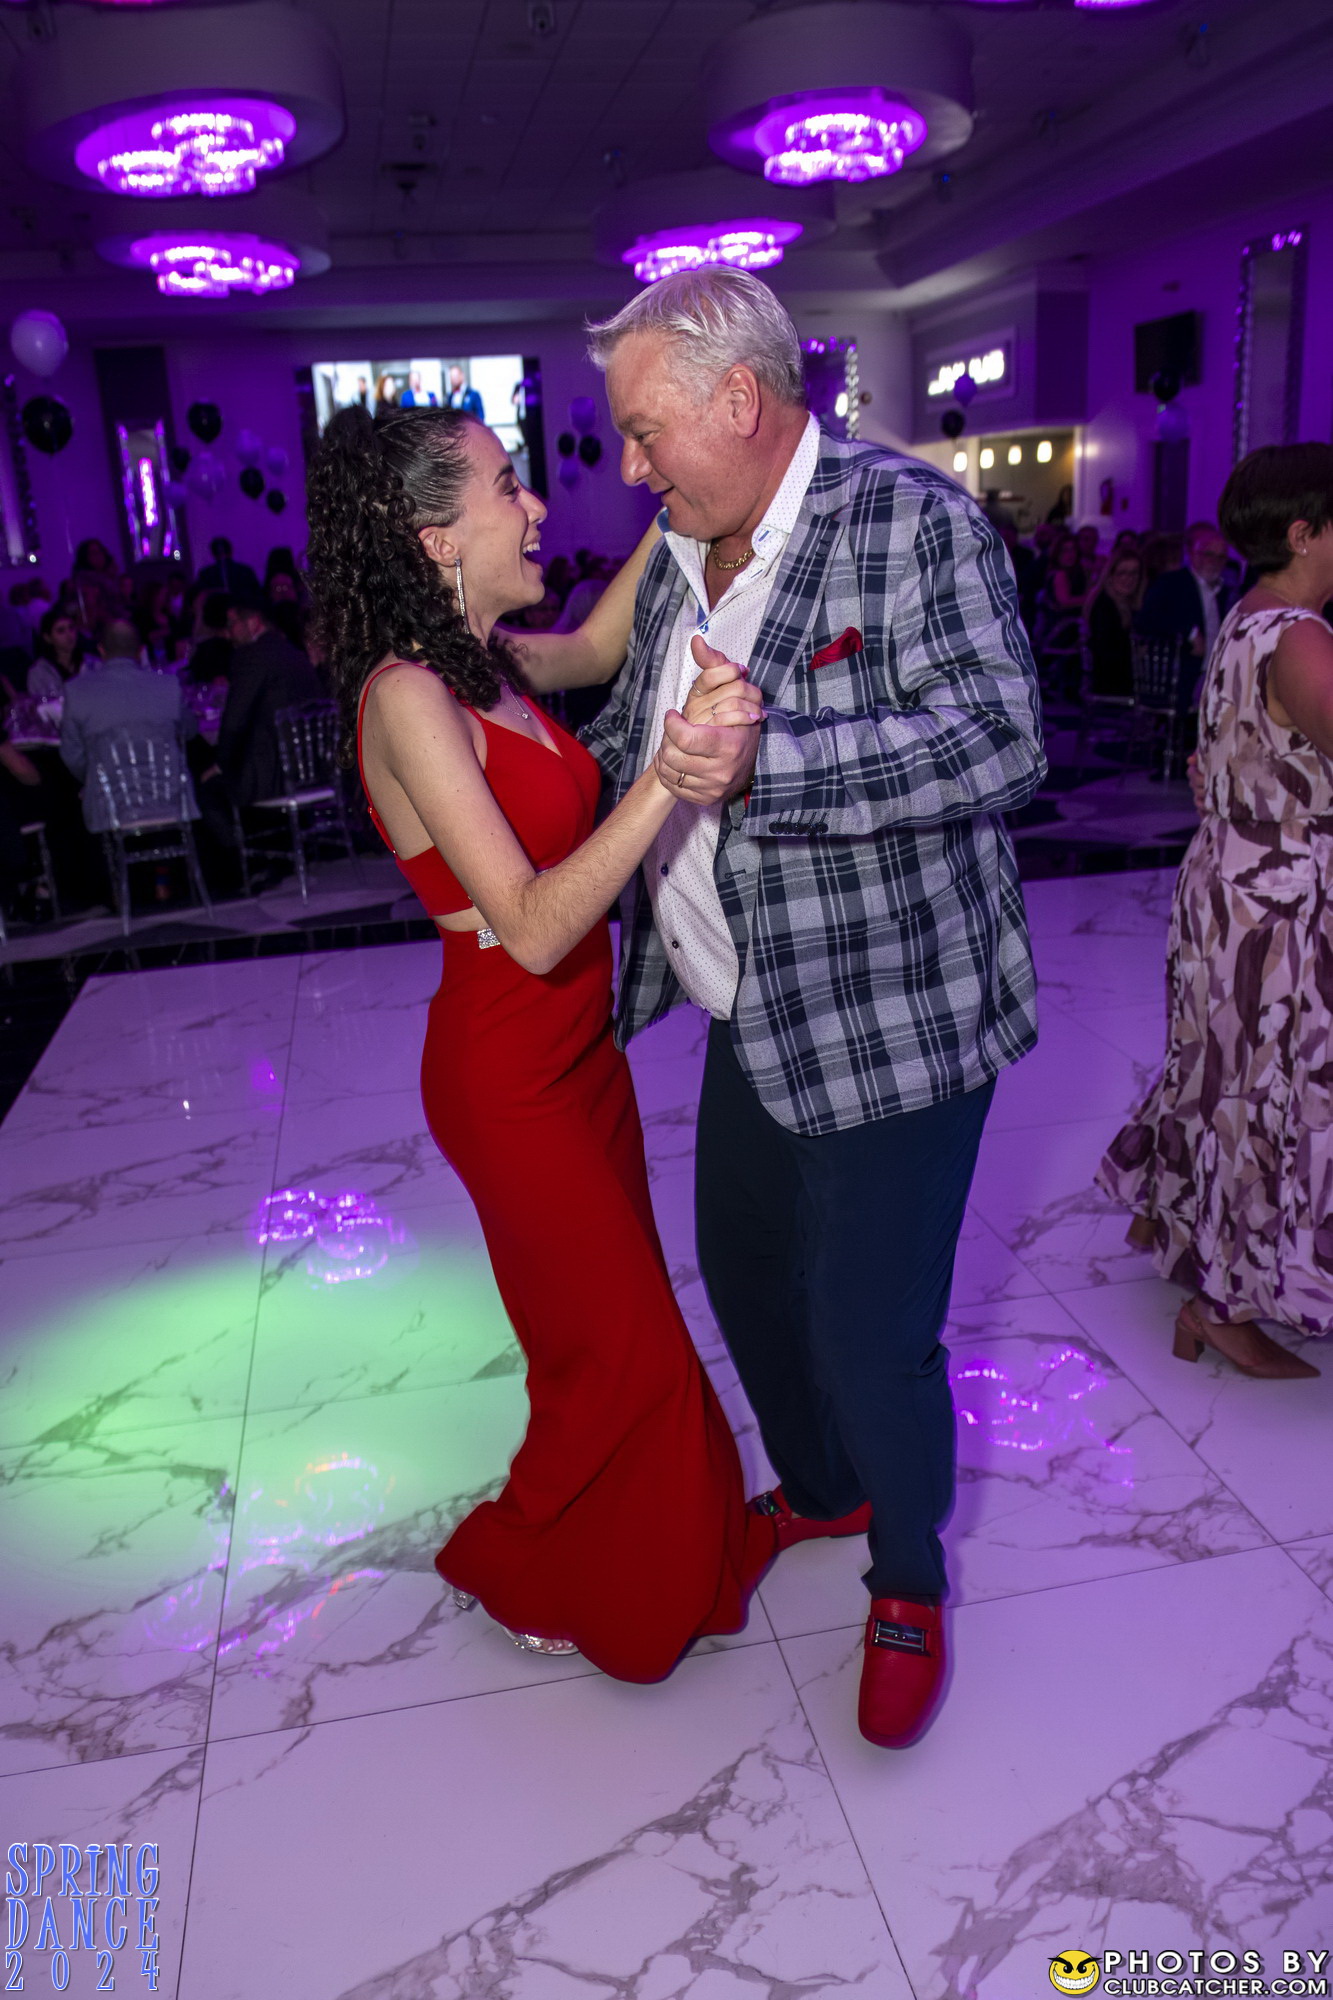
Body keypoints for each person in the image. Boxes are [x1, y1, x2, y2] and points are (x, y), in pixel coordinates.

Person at [582, 268, 1045, 1747]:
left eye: (645, 431)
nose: (630, 467)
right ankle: (830, 1483)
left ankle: (905, 1574)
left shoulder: (911, 522)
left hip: (895, 1017)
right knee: (744, 1278)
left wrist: (769, 762)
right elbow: (631, 724)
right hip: (749, 1004)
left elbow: (1000, 740)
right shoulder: (683, 543)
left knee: (868, 1331)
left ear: (739, 398)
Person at [304, 400, 775, 1682]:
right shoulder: (407, 695)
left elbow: (604, 640)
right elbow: (527, 922)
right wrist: (669, 777)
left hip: (580, 1053)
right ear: (433, 537)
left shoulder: (489, 662)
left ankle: (617, 1547)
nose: (536, 506)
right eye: (507, 486)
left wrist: (688, 499)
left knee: (596, 1343)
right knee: (630, 1352)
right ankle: (524, 1557)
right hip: (507, 1072)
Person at [1098, 443, 1333, 1377]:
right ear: (1303, 532)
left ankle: (1177, 1226)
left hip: (1231, 882)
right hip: (1278, 906)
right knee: (1267, 1095)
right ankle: (1223, 1304)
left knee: (1224, 1073)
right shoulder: (1301, 638)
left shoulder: (1249, 616)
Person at [58, 618, 198, 834]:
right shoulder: (168, 686)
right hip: (173, 802)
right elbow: (189, 731)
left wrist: (98, 775)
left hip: (110, 808)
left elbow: (71, 754)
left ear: (101, 650)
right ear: (140, 651)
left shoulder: (77, 692)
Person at [215, 599, 324, 809]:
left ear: (253, 622)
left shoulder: (253, 656)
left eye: (232, 624)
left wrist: (220, 763)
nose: (228, 633)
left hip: (273, 776)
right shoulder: (293, 653)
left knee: (208, 791)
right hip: (314, 767)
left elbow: (233, 721)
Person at [1137, 519, 1236, 663]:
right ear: (1193, 554)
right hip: (1182, 668)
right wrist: (1190, 633)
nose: (1214, 561)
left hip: (1215, 668)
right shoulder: (1173, 583)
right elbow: (1147, 620)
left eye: (1221, 557)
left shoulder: (1225, 591)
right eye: (1208, 554)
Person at [1084, 548, 1144, 699]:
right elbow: (1108, 653)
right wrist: (1139, 652)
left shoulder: (1129, 605)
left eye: (1134, 573)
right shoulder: (1104, 605)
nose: (1129, 579)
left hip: (1123, 678)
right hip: (1111, 683)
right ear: (1110, 575)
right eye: (1122, 573)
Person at [28, 607, 94, 698]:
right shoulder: (39, 673)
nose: (69, 635)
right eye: (61, 631)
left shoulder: (92, 663)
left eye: (71, 628)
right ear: (48, 638)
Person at [193, 536, 263, 608]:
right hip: (217, 608)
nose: (222, 555)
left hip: (241, 607)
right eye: (219, 552)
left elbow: (255, 592)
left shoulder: (244, 571)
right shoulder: (206, 573)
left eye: (224, 551)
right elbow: (202, 593)